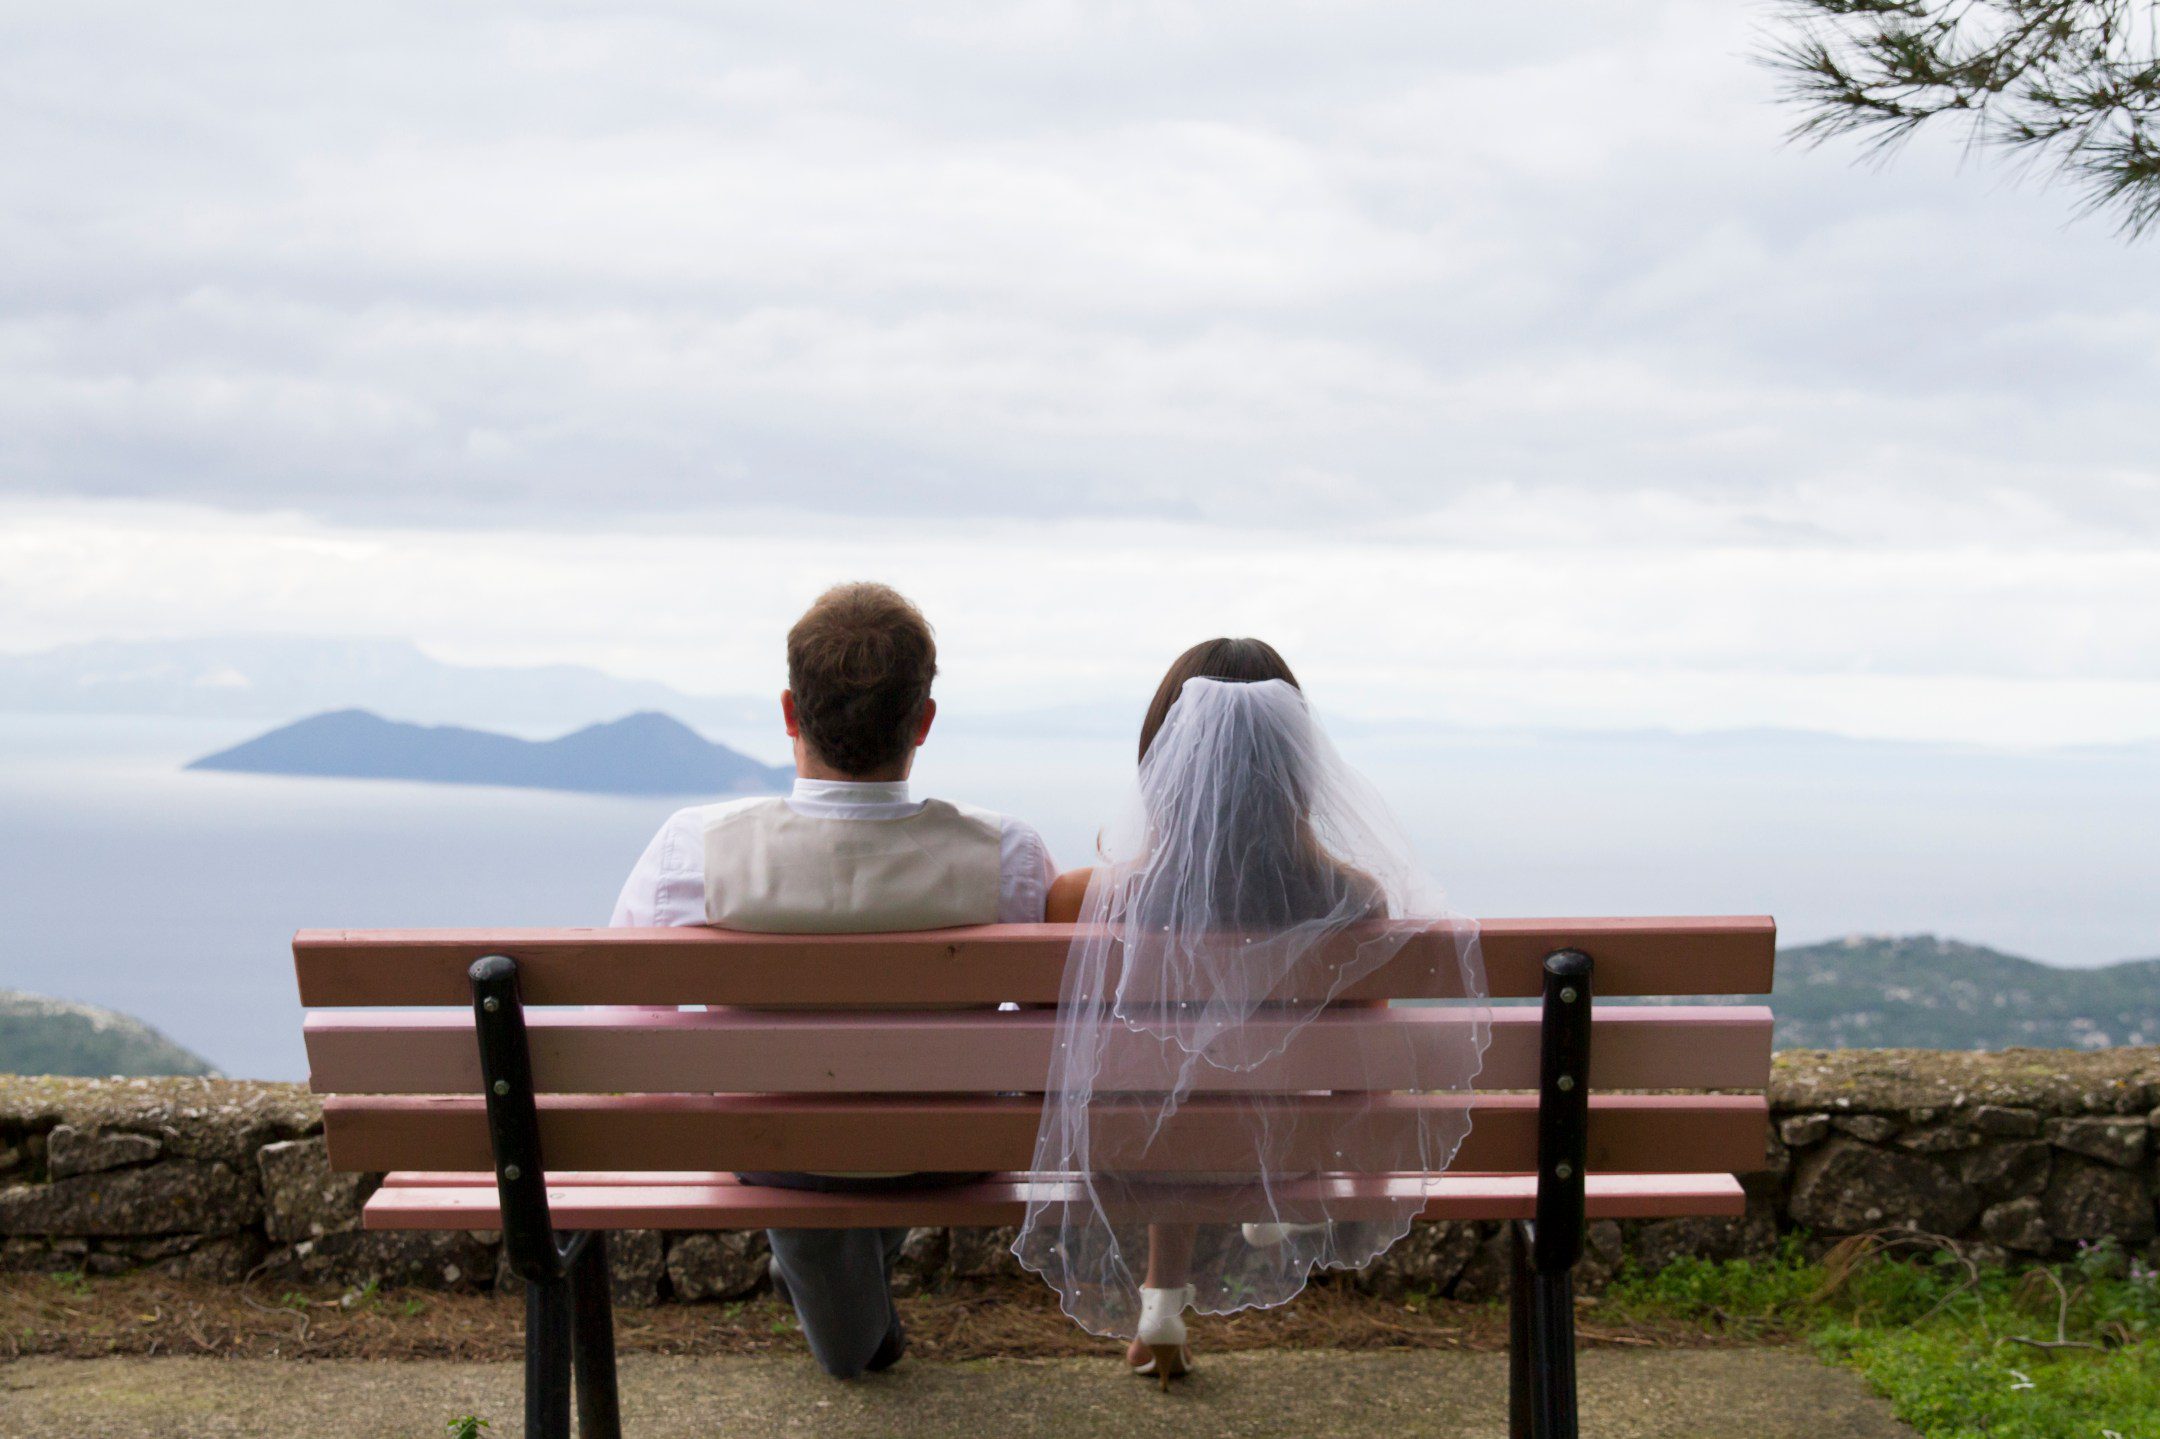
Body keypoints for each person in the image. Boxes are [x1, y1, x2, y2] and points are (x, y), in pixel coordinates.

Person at [611, 581, 1057, 1379]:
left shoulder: (693, 850)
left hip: (768, 1147)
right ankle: (843, 1292)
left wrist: (710, 1108)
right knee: (874, 1131)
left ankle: (836, 1296)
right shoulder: (1009, 857)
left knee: (806, 1136)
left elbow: (632, 1027)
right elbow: (1049, 1032)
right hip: (949, 1150)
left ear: (790, 711)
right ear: (922, 720)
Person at [1013, 638, 1488, 1384]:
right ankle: (1194, 1266)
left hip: (1119, 1149)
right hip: (1284, 1148)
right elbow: (1365, 1076)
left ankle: (1162, 1301)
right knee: (1212, 1084)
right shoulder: (1353, 900)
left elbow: (1054, 1060)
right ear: (1299, 767)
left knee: (1174, 1083)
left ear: (1162, 758)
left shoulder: (1082, 899)